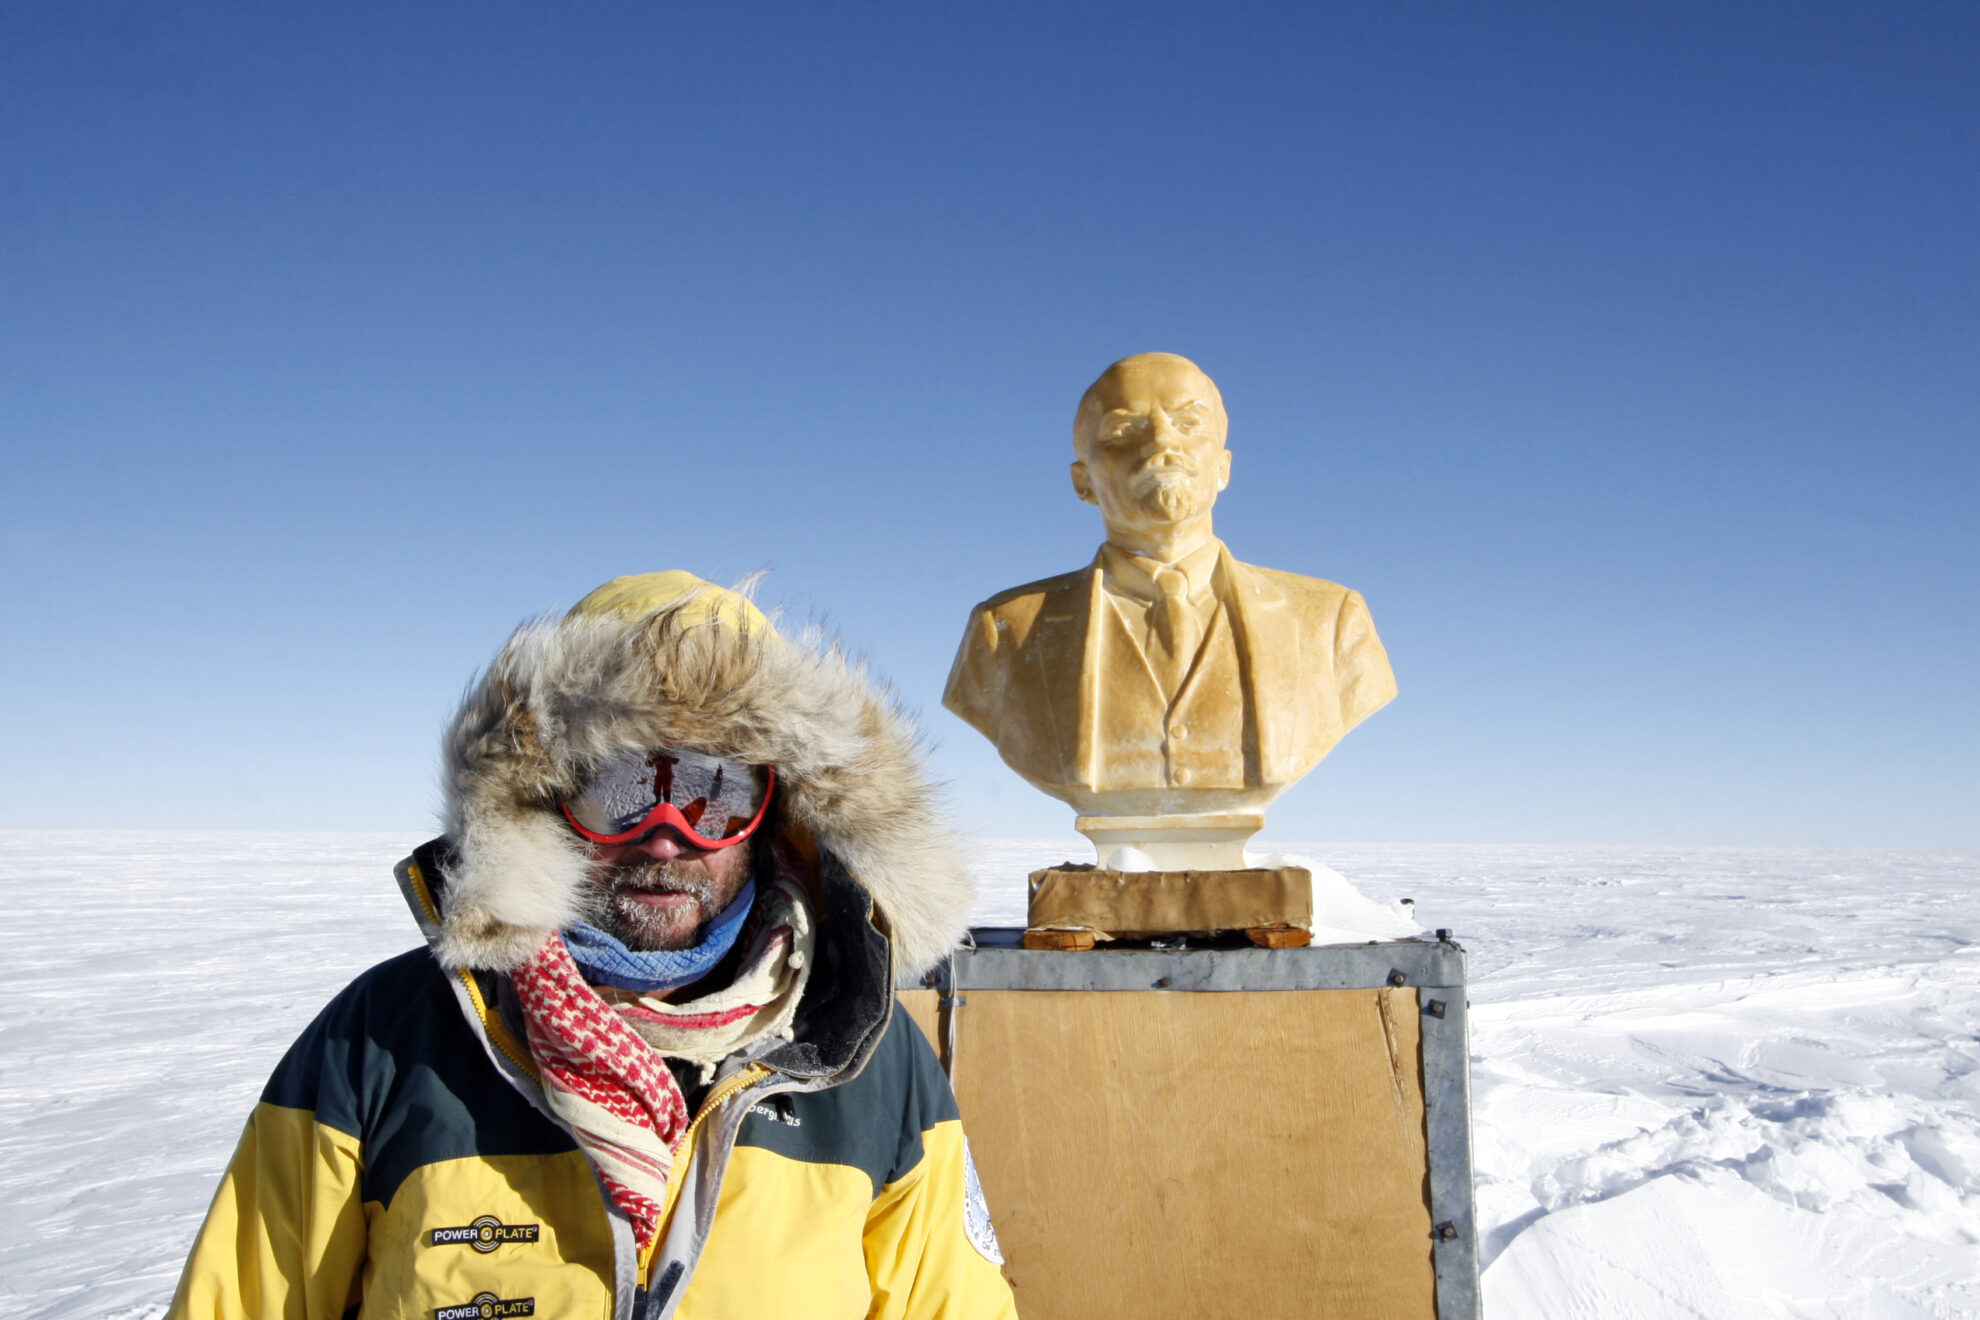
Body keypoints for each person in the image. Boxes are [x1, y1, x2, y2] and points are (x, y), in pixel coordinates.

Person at [170, 572, 1017, 1320]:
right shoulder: (383, 1041)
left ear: (777, 818)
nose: (665, 835)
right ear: (541, 804)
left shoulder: (863, 1058)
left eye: (712, 793)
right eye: (620, 788)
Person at [943, 352, 1397, 820]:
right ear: (1083, 481)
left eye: (1188, 424)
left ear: (1223, 467)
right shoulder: (1004, 630)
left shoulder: (1333, 620)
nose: (1162, 442)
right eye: (1124, 430)